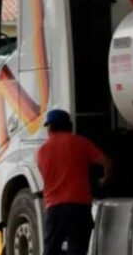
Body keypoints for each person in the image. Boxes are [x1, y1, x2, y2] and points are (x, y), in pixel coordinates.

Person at [37, 109, 113, 255]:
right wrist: (104, 181)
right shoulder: (81, 143)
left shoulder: (41, 151)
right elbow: (107, 163)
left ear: (50, 127)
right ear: (68, 125)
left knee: (50, 251)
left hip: (55, 209)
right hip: (80, 207)